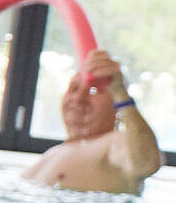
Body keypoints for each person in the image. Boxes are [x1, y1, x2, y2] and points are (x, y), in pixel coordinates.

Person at [23, 49, 161, 195]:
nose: (78, 98)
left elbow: (146, 164)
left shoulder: (115, 143)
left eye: (94, 91)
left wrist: (120, 94)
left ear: (116, 102)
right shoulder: (54, 152)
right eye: (74, 88)